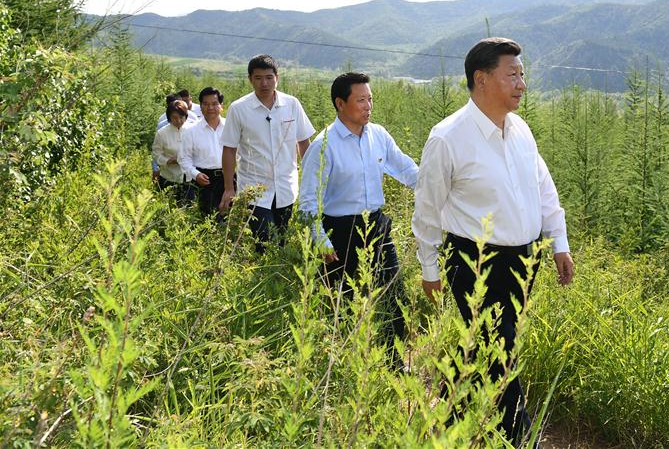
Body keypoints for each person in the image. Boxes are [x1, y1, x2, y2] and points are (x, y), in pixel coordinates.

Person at [412, 37, 574, 444]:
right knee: (498, 348)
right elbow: (427, 210)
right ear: (481, 79)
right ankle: (518, 437)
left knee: (491, 343)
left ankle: (451, 419)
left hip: (525, 259)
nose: (522, 83)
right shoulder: (448, 138)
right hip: (474, 259)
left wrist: (558, 241)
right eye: (512, 74)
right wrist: (429, 270)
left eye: (523, 74)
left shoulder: (520, 129)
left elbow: (543, 186)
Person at [299, 72, 418, 361]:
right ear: (340, 103)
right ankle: (343, 363)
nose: (368, 106)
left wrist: (439, 186)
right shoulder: (323, 145)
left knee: (393, 294)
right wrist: (321, 240)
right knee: (343, 302)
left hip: (376, 226)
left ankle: (394, 361)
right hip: (339, 233)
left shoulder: (378, 135)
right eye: (361, 100)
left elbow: (405, 169)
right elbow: (307, 202)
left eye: (370, 99)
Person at [219, 54, 315, 251]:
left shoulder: (292, 104)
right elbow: (229, 149)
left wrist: (312, 178)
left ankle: (274, 277)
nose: (264, 83)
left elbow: (304, 142)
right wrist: (229, 188)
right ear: (250, 79)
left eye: (269, 77)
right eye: (258, 78)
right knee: (264, 240)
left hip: (286, 186)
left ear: (277, 77)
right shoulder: (239, 109)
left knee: (281, 240)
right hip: (254, 188)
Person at [179, 86, 230, 217]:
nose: (210, 108)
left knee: (232, 218)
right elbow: (183, 158)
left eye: (214, 104)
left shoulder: (231, 127)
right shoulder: (190, 131)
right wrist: (195, 174)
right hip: (205, 179)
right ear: (200, 106)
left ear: (221, 106)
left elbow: (242, 154)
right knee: (208, 219)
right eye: (206, 104)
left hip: (230, 178)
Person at [151, 101, 194, 204]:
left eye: (181, 117)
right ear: (169, 118)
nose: (178, 121)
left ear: (186, 116)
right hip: (168, 177)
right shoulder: (162, 133)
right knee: (169, 207)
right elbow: (156, 154)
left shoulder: (192, 130)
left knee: (188, 207)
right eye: (175, 118)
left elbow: (199, 151)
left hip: (189, 178)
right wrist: (168, 161)